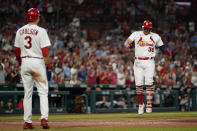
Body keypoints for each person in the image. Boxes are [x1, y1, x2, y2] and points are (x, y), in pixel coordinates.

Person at [123, 20, 171, 114]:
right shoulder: (136, 34)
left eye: (147, 28)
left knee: (149, 82)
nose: (145, 29)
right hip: (138, 61)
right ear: (142, 27)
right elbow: (127, 42)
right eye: (144, 28)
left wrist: (167, 52)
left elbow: (162, 47)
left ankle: (149, 104)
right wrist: (128, 45)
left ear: (150, 29)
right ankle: (141, 105)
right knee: (139, 84)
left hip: (149, 61)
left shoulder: (155, 36)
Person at [14, 8, 51, 129]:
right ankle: (44, 119)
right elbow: (45, 52)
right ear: (37, 17)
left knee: (27, 93)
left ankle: (27, 121)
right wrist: (48, 65)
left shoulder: (20, 31)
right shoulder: (41, 31)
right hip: (37, 62)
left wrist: (21, 63)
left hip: (25, 61)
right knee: (43, 92)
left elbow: (17, 50)